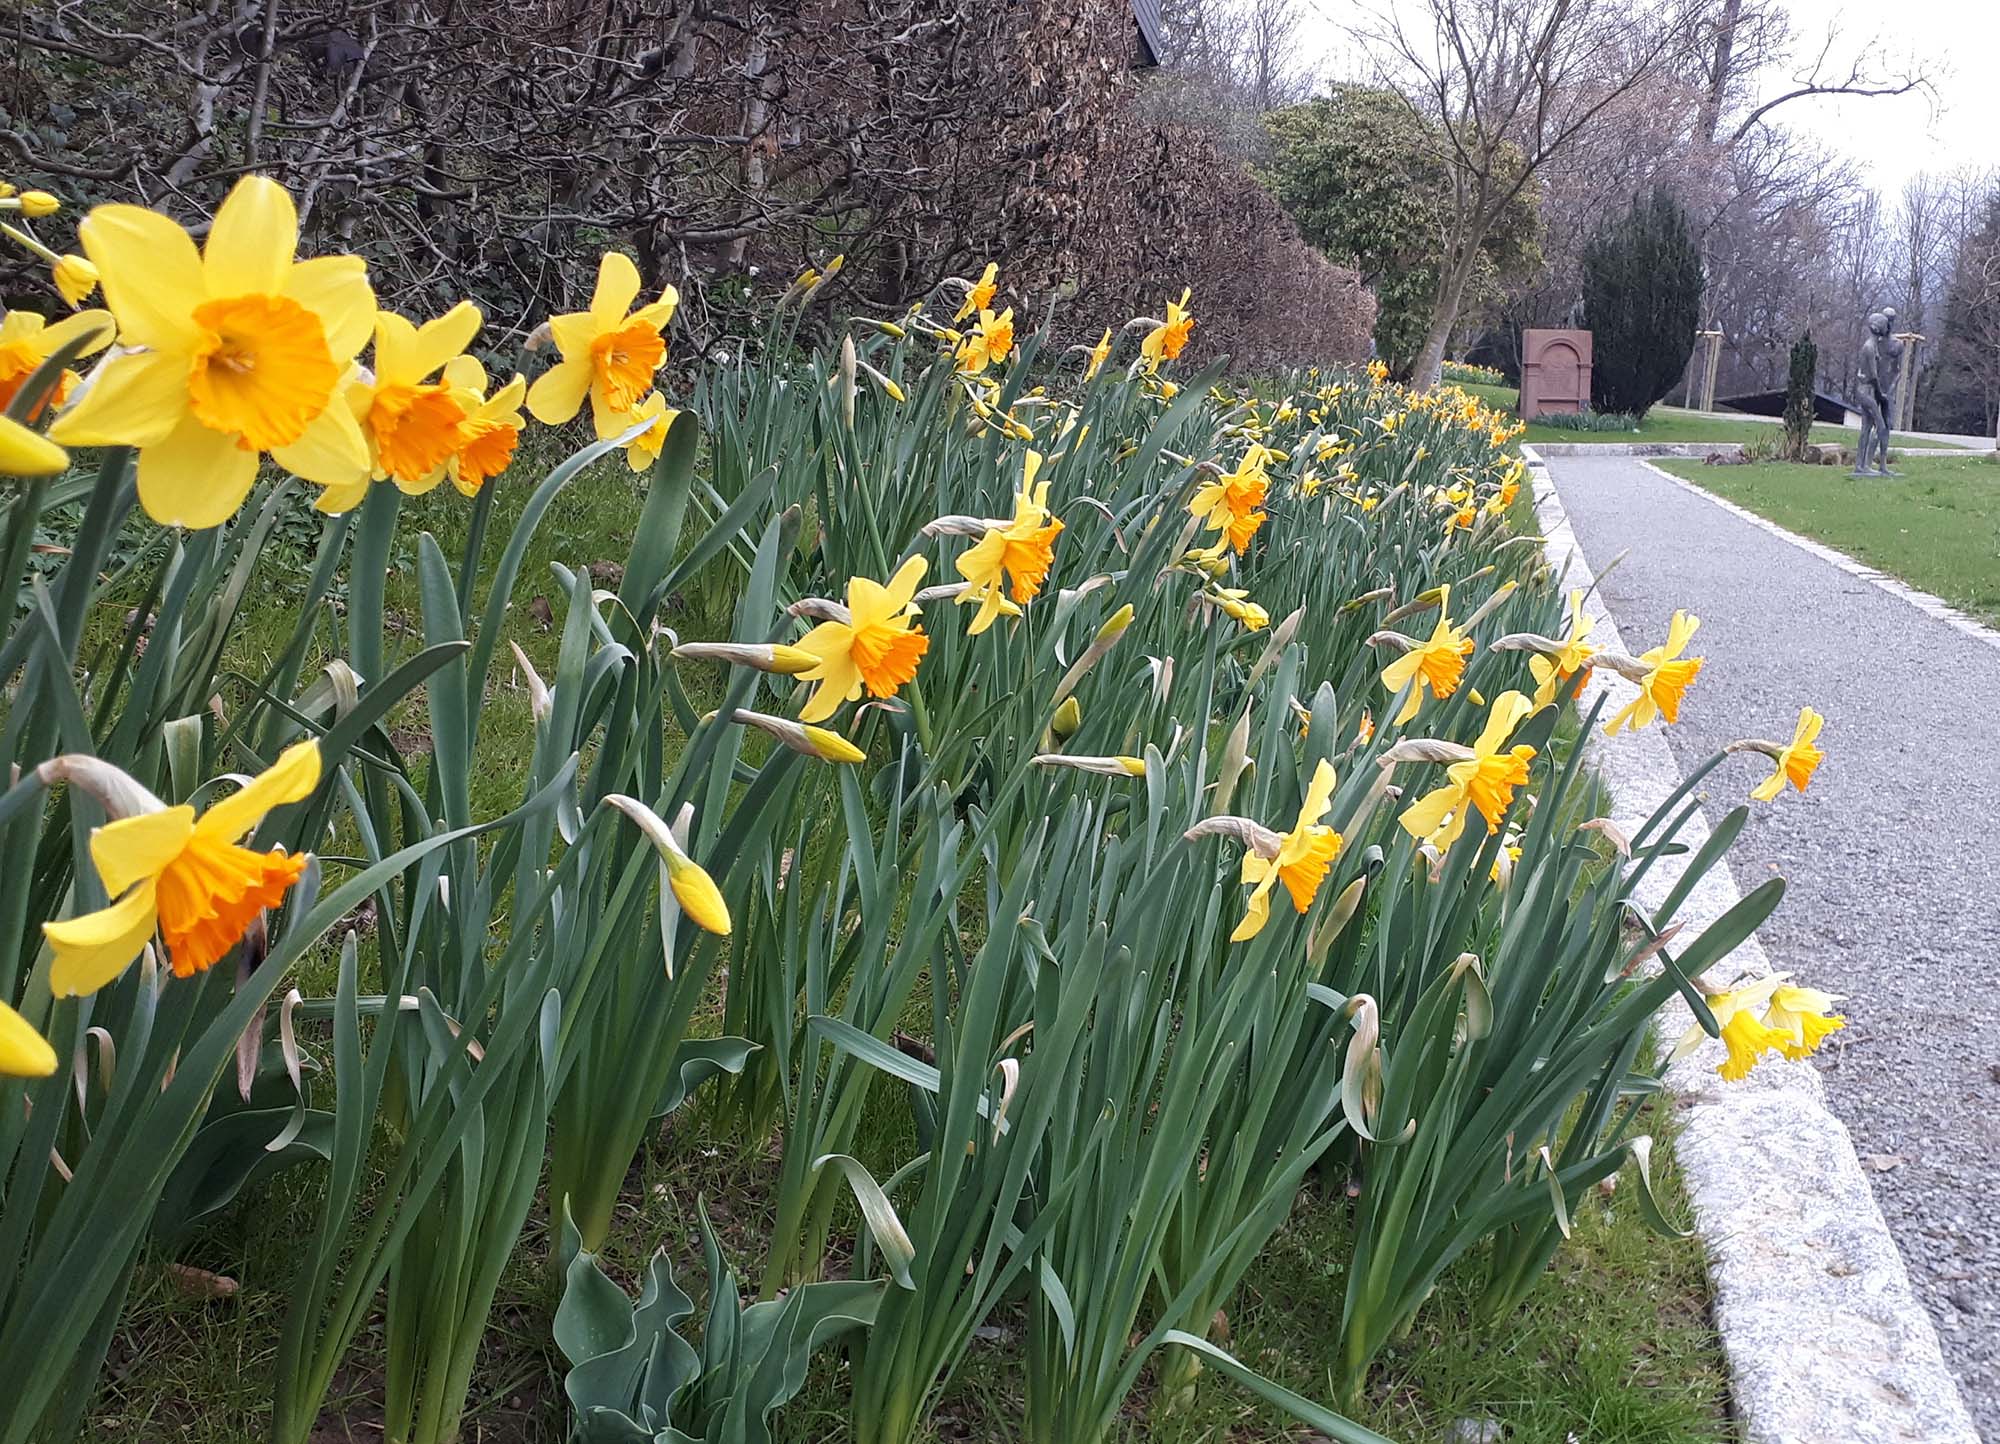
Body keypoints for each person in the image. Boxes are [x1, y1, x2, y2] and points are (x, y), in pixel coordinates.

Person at [1853, 309, 1904, 477]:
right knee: (1872, 426)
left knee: (1885, 425)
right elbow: (1869, 370)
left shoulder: (1896, 344)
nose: (1888, 324)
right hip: (1873, 389)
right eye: (1886, 320)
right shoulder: (1873, 344)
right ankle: (1865, 464)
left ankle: (1881, 465)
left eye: (1890, 320)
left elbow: (1897, 370)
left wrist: (1890, 390)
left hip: (1884, 389)